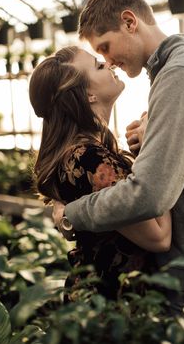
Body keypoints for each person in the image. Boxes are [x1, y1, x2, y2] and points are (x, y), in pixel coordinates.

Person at [52, 0, 184, 342]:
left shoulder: (183, 72)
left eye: (104, 47)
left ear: (129, 22)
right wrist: (152, 137)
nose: (108, 60)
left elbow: (149, 194)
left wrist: (71, 214)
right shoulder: (171, 72)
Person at [29, 45, 171, 299]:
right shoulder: (87, 158)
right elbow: (159, 237)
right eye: (97, 65)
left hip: (100, 300)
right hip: (115, 306)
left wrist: (140, 155)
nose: (109, 63)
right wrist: (155, 145)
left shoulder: (84, 153)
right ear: (88, 95)